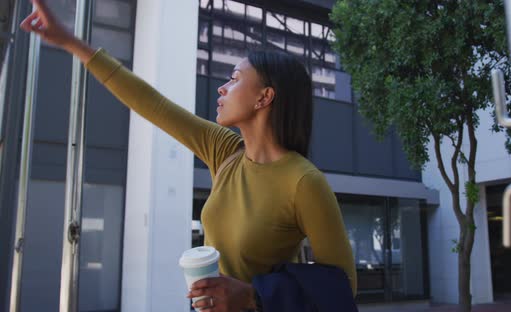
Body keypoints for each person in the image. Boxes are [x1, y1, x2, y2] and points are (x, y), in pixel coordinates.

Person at [20, 0, 357, 311]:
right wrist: (70, 41)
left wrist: (254, 296)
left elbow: (343, 286)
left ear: (264, 97)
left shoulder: (303, 182)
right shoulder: (224, 150)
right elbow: (151, 103)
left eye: (235, 79)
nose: (222, 88)